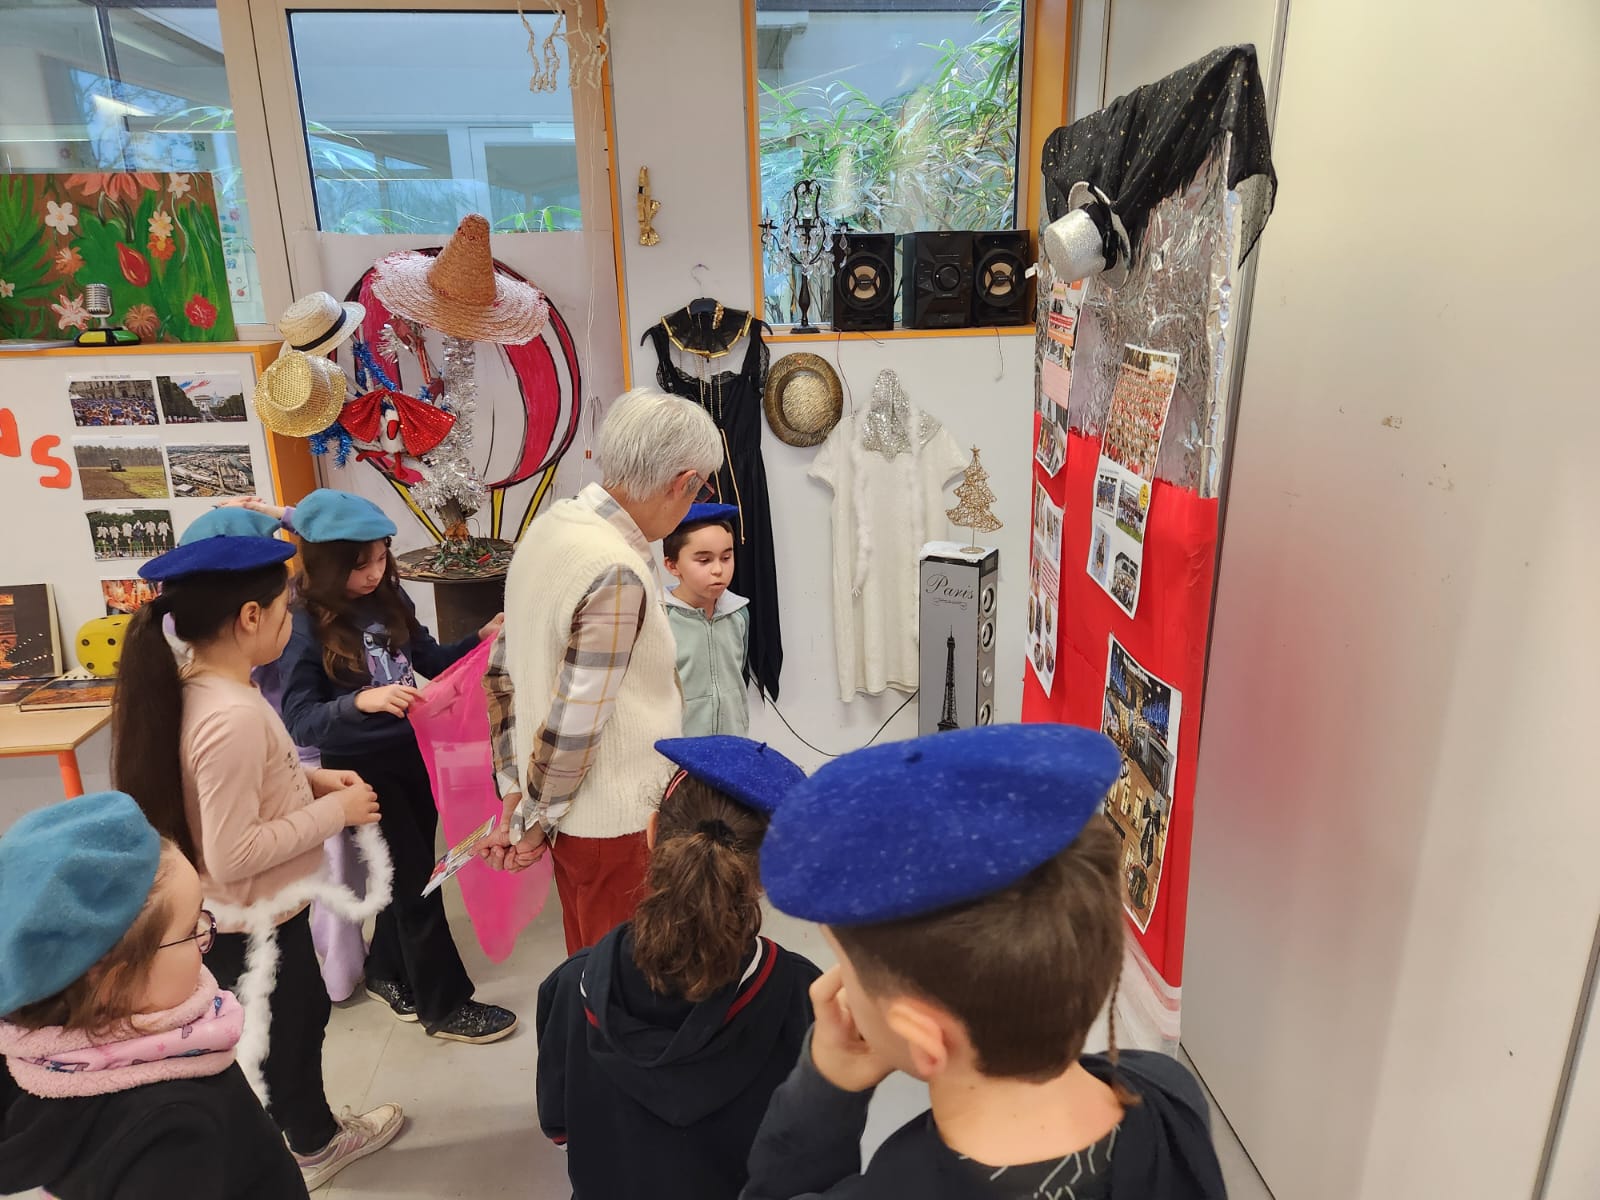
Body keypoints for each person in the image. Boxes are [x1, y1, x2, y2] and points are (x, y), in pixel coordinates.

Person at [744, 724, 1227, 1199]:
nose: (835, 986)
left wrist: (825, 1085)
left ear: (925, 1040)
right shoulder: (1169, 1093)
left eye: (845, 969)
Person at [110, 515, 403, 1190]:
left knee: (291, 1030)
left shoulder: (203, 688)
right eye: (283, 609)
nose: (288, 620)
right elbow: (234, 849)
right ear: (250, 617)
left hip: (242, 913)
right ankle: (314, 1146)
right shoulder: (233, 715)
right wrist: (334, 812)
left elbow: (231, 794)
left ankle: (304, 1132)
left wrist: (311, 781)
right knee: (290, 1040)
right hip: (254, 919)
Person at [482, 387, 723, 955]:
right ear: (684, 482)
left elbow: (502, 669)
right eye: (702, 489)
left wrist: (518, 793)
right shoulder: (612, 566)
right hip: (614, 821)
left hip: (571, 813)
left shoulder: (551, 528)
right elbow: (575, 721)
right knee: (627, 979)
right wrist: (533, 818)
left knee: (590, 964)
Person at [276, 487, 516, 1045]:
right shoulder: (302, 624)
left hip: (414, 757)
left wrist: (478, 640)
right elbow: (301, 721)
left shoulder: (389, 598)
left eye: (382, 559)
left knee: (409, 873)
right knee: (415, 885)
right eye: (361, 565)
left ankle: (386, 971)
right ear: (326, 564)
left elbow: (430, 659)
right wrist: (359, 702)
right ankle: (445, 1006)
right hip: (359, 775)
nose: (375, 573)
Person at [536, 736, 820, 1200]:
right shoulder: (803, 994)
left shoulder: (573, 985)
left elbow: (559, 1127)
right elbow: (814, 1152)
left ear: (652, 834)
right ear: (771, 876)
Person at [0, 792, 309, 1199]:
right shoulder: (167, 1134)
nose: (205, 937)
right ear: (112, 979)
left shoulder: (36, 1062)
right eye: (190, 930)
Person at [663, 502, 751, 737]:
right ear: (672, 565)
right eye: (704, 560)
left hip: (732, 743)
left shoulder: (738, 613)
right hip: (679, 747)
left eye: (726, 557)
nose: (718, 570)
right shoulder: (660, 619)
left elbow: (739, 672)